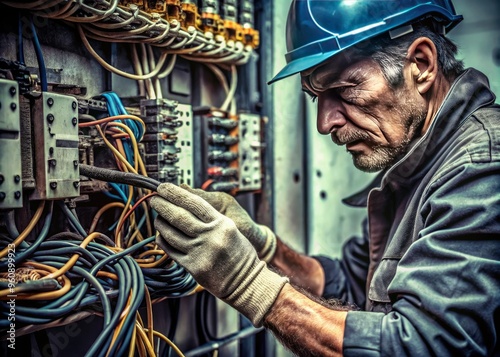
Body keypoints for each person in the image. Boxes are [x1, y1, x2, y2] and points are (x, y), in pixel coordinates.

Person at [150, 0, 500, 355]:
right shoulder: (416, 166)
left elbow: (423, 346)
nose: (324, 123)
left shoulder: (482, 169)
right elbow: (350, 284)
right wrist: (262, 248)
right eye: (317, 97)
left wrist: (247, 283)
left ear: (421, 65)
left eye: (345, 90)